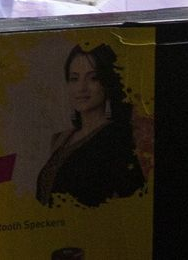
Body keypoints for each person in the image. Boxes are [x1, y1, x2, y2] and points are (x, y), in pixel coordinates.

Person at [34, 44, 148, 207]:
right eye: (74, 79)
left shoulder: (117, 140)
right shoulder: (60, 139)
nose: (81, 88)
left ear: (107, 83)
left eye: (93, 78)